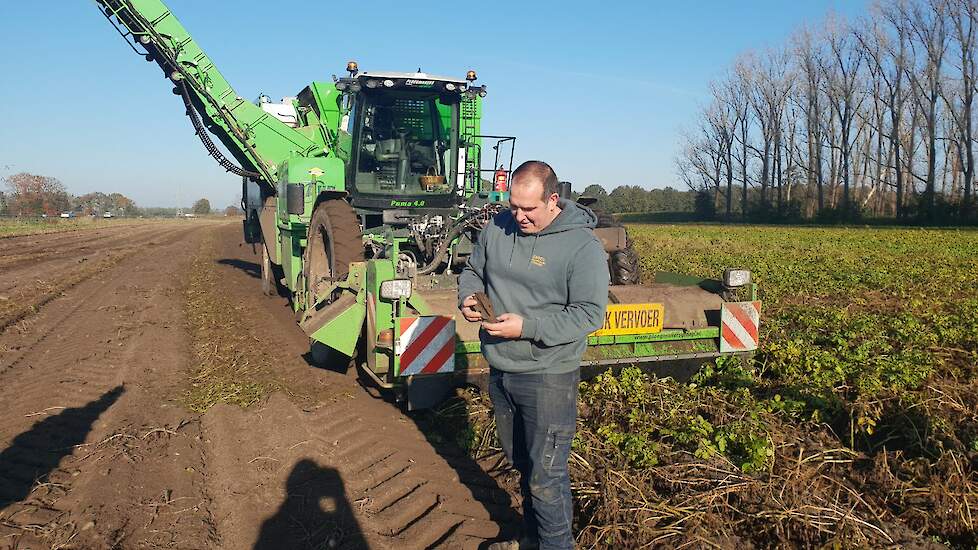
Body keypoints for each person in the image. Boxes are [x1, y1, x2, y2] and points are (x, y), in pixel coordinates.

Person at [458, 160, 609, 549]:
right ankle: (531, 540)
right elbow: (474, 271)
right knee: (523, 466)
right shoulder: (497, 228)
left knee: (546, 477)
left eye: (529, 209)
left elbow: (591, 314)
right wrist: (469, 298)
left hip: (548, 375)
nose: (519, 216)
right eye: (513, 207)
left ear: (553, 199)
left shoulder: (581, 246)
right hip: (502, 370)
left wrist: (527, 328)